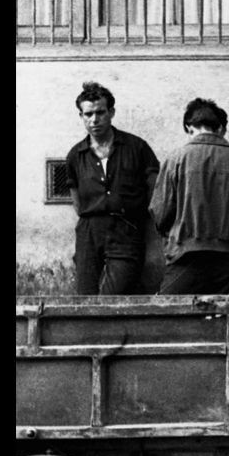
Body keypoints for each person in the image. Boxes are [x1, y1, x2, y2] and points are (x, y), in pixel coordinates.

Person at [150, 98, 229, 294]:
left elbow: (160, 212)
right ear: (220, 128)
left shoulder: (175, 159)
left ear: (188, 127)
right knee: (228, 319)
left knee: (171, 317)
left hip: (186, 255)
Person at [64, 81, 160, 295]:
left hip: (126, 228)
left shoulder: (137, 147)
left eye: (100, 112)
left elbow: (155, 191)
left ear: (111, 112)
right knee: (85, 296)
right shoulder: (75, 155)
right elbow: (77, 200)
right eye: (88, 114)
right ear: (81, 116)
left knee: (115, 295)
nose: (94, 120)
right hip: (89, 230)